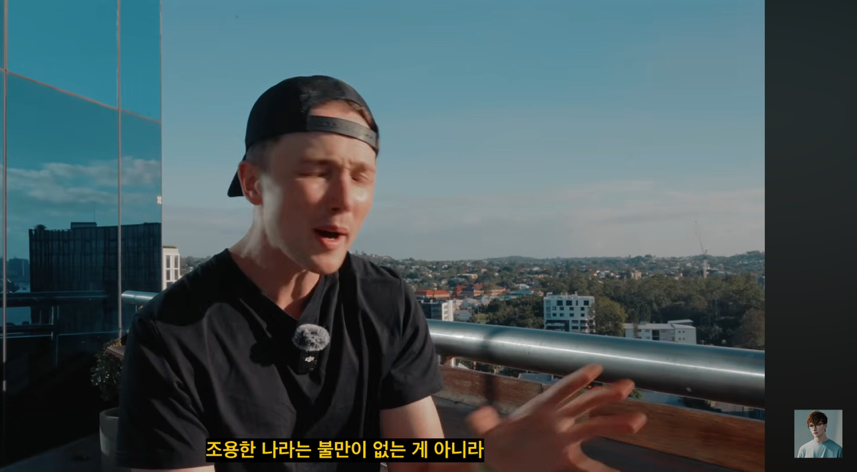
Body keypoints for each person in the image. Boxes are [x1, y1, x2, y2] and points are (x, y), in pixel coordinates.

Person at [115, 75, 647, 472]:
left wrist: (489, 461)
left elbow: (419, 463)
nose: (345, 199)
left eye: (361, 176)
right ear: (253, 183)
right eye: (316, 171)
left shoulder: (383, 298)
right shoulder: (173, 334)